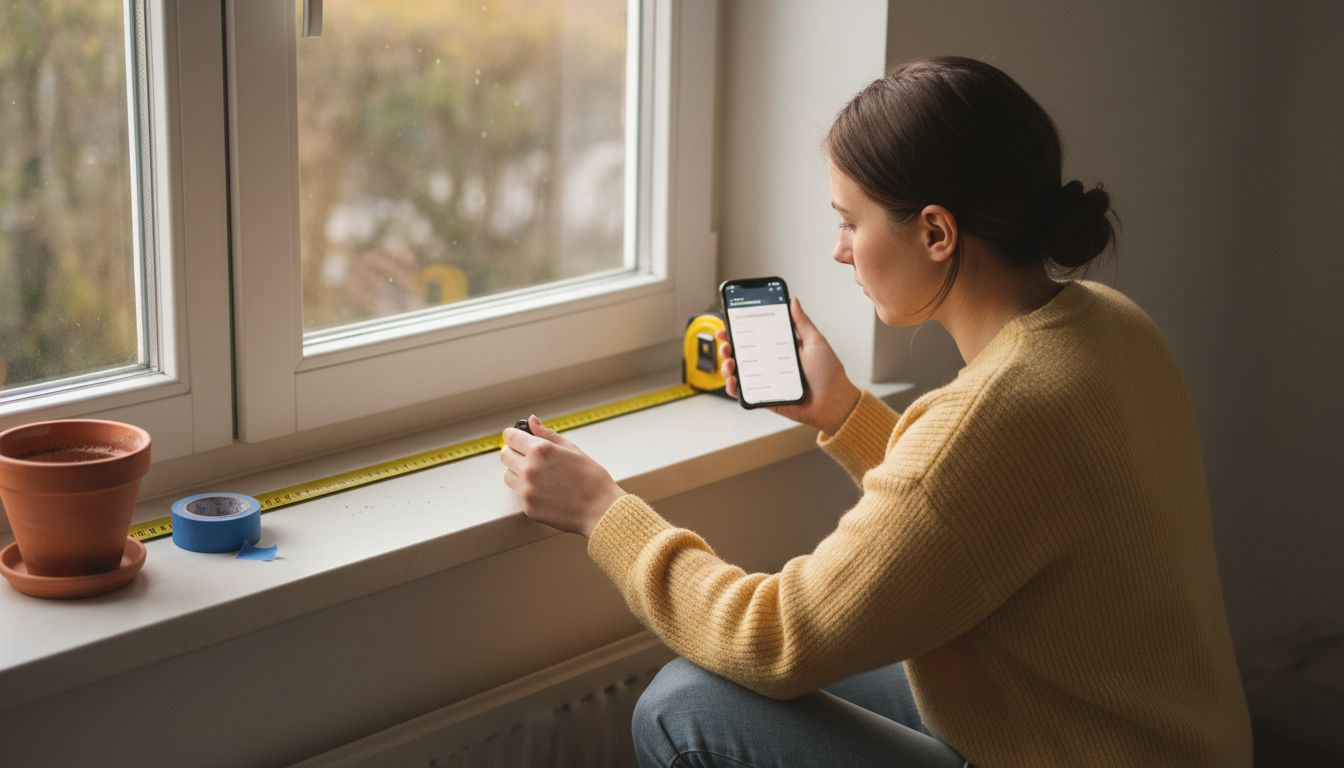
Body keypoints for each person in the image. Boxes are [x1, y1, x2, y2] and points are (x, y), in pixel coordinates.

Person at [499, 56, 1252, 767]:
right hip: (1151, 739)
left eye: (850, 222)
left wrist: (602, 511)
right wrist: (842, 410)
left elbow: (776, 638)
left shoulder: (994, 415)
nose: (840, 250)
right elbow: (983, 507)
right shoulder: (1110, 324)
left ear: (936, 232)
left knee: (681, 706)